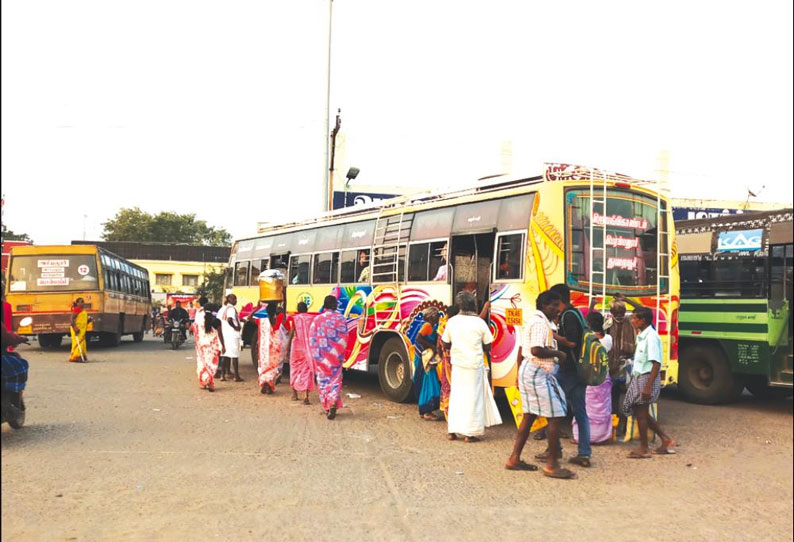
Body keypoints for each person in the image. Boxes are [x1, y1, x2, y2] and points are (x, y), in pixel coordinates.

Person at [505, 290, 574, 478]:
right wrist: (558, 354)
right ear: (544, 305)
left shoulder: (540, 321)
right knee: (555, 414)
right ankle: (552, 464)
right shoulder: (539, 323)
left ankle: (514, 458)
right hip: (537, 372)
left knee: (529, 416)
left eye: (558, 305)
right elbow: (536, 350)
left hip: (532, 371)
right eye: (553, 305)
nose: (558, 309)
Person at [441, 291, 498, 443]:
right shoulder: (479, 322)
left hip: (458, 364)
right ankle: (469, 434)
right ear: (473, 305)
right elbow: (488, 346)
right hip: (474, 365)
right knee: (473, 399)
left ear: (459, 305)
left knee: (456, 397)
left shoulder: (452, 322)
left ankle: (452, 431)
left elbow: (445, 343)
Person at [548, 283, 591, 468]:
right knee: (580, 412)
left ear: (559, 299)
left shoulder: (568, 316)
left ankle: (554, 449)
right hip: (580, 370)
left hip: (569, 369)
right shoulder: (577, 313)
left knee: (552, 406)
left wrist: (554, 336)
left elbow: (572, 343)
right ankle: (584, 453)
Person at [624, 306, 676, 458]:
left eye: (635, 318)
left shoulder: (652, 337)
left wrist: (648, 387)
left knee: (641, 413)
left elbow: (656, 363)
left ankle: (644, 447)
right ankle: (665, 439)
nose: (632, 321)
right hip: (639, 377)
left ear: (643, 321)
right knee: (642, 413)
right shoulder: (642, 335)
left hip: (647, 378)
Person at [572, 311, 613, 444]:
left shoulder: (586, 339)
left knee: (586, 407)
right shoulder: (608, 339)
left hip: (589, 376)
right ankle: (602, 436)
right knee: (602, 406)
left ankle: (583, 436)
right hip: (603, 375)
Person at [309, 295, 348, 420]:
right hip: (336, 355)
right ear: (335, 305)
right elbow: (345, 337)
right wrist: (338, 352)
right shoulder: (341, 319)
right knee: (335, 379)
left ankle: (327, 405)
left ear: (324, 305)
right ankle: (333, 400)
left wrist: (316, 355)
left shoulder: (317, 320)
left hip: (321, 356)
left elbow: (312, 338)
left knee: (323, 380)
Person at [605, 300, 635, 435]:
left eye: (621, 312)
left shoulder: (630, 322)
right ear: (611, 313)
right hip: (611, 365)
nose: (619, 315)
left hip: (626, 363)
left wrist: (627, 299)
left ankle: (626, 423)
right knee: (613, 394)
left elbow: (642, 308)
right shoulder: (607, 323)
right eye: (616, 312)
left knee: (628, 394)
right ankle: (615, 422)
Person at [412, 306, 442, 421]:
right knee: (428, 383)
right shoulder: (427, 326)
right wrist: (432, 346)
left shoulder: (429, 326)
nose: (438, 318)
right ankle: (426, 410)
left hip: (425, 358)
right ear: (432, 317)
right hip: (425, 359)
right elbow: (418, 338)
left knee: (426, 382)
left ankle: (424, 409)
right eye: (436, 316)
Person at [287, 302, 316, 404]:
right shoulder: (311, 318)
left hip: (296, 347)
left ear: (298, 310)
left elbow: (292, 332)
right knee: (307, 370)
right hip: (308, 348)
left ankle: (294, 394)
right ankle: (306, 395)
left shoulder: (296, 318)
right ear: (307, 309)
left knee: (294, 369)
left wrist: (287, 347)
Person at [195, 305, 224, 392]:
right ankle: (209, 382)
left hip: (202, 346)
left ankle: (203, 382)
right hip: (213, 347)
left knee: (202, 364)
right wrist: (223, 345)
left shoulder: (199, 321)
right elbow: (220, 334)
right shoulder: (217, 321)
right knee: (211, 365)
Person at [257, 302, 284, 394]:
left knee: (264, 366)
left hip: (263, 349)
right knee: (272, 368)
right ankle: (268, 386)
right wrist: (285, 298)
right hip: (273, 349)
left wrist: (257, 307)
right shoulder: (276, 320)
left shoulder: (262, 320)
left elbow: (250, 318)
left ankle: (265, 384)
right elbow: (284, 315)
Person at [437, 305, 459, 420]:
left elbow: (438, 346)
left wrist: (442, 357)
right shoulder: (457, 325)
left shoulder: (443, 325)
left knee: (446, 386)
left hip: (446, 359)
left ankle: (448, 413)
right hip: (457, 360)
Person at [218, 294, 243, 382]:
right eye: (234, 299)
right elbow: (229, 319)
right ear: (229, 299)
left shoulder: (222, 309)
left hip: (224, 334)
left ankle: (222, 375)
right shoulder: (231, 309)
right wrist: (235, 327)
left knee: (225, 355)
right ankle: (236, 376)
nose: (236, 301)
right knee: (235, 356)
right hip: (232, 334)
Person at [69, 298, 92, 362]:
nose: (82, 303)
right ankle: (76, 357)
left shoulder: (83, 310)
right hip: (76, 329)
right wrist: (75, 327)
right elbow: (71, 319)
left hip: (82, 330)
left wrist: (89, 320)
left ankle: (82, 357)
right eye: (80, 302)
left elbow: (82, 320)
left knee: (82, 343)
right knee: (77, 343)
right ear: (77, 303)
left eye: (83, 302)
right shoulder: (77, 309)